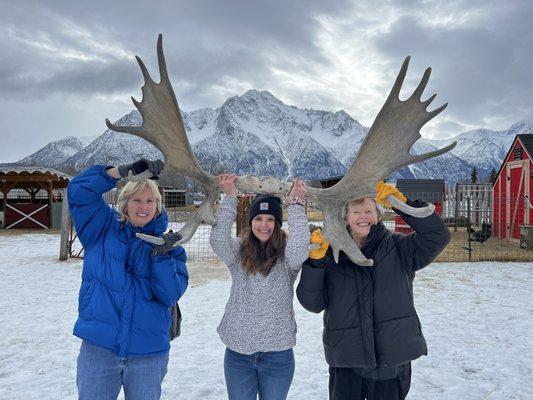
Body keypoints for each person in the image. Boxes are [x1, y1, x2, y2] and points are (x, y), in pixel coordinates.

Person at [296, 181, 451, 400]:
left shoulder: (400, 248)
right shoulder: (330, 255)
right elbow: (312, 303)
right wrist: (315, 264)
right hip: (346, 363)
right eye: (356, 211)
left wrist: (403, 204)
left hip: (391, 362)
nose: (363, 216)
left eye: (369, 210)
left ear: (378, 214)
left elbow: (438, 236)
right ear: (346, 217)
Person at [68, 159, 189, 400]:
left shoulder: (171, 248)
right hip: (99, 348)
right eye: (136, 199)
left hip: (148, 353)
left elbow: (169, 295)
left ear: (157, 206)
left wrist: (161, 258)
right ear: (125, 204)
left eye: (149, 200)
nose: (143, 206)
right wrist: (119, 172)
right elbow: (79, 191)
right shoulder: (100, 229)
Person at [209, 174, 310, 400]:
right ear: (251, 221)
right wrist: (230, 198)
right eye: (258, 219)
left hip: (277, 355)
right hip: (238, 354)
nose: (264, 225)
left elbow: (301, 248)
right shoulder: (238, 251)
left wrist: (295, 206)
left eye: (271, 219)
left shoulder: (287, 257)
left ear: (278, 223)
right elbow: (218, 240)